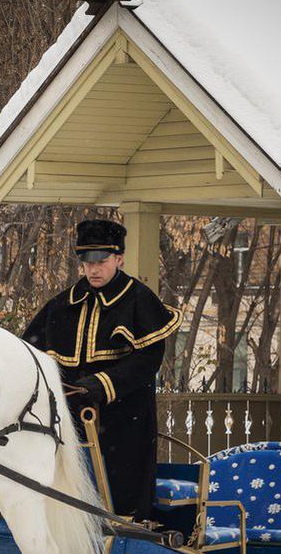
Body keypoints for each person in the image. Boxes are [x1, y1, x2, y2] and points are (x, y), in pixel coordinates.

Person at [21, 218, 181, 521]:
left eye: (102, 261)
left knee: (120, 489)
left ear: (118, 259)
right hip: (69, 416)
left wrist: (101, 384)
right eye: (87, 261)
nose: (93, 269)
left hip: (124, 417)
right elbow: (31, 350)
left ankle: (124, 530)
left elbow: (147, 360)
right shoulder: (62, 305)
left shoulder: (139, 299)